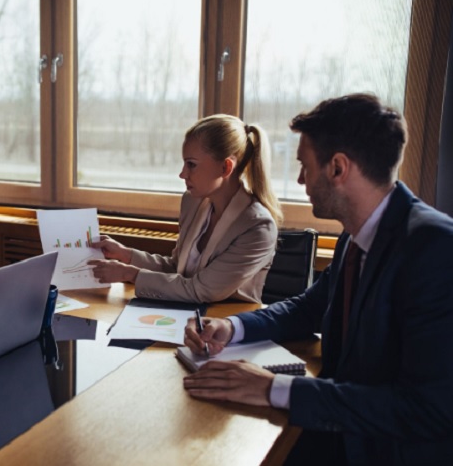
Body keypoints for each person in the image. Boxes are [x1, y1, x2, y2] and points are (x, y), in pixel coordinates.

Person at [183, 94, 453, 465]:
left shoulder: (436, 248)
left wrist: (275, 388)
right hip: (337, 427)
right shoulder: (354, 235)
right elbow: (311, 306)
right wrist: (233, 327)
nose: (299, 179)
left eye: (304, 166)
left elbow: (426, 408)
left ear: (338, 168)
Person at [90, 114, 281, 304]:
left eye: (191, 164)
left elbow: (201, 290)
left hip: (225, 326)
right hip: (182, 317)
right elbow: (177, 270)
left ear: (225, 167)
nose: (182, 174)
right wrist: (126, 255)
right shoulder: (194, 203)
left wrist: (129, 273)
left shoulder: (257, 227)